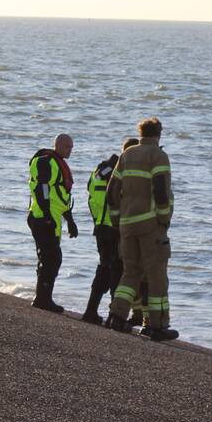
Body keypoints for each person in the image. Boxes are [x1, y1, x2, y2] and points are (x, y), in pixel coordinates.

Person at [105, 117, 178, 341]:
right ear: (159, 134)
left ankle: (116, 316)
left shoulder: (127, 154)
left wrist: (118, 219)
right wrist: (164, 218)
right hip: (150, 225)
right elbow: (161, 190)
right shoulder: (159, 156)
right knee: (156, 275)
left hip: (127, 224)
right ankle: (156, 325)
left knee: (131, 272)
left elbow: (112, 191)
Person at [82, 137, 138, 325]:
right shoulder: (123, 171)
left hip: (100, 227)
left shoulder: (101, 168)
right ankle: (115, 317)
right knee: (117, 271)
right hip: (115, 227)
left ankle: (91, 310)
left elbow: (90, 194)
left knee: (104, 267)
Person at [27, 134, 78, 313]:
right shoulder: (46, 162)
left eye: (71, 147)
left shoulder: (58, 163)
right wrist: (47, 216)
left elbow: (60, 197)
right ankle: (42, 298)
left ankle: (43, 297)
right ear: (58, 145)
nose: (70, 150)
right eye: (67, 147)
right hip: (42, 218)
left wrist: (70, 221)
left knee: (50, 258)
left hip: (52, 219)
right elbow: (42, 190)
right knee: (51, 258)